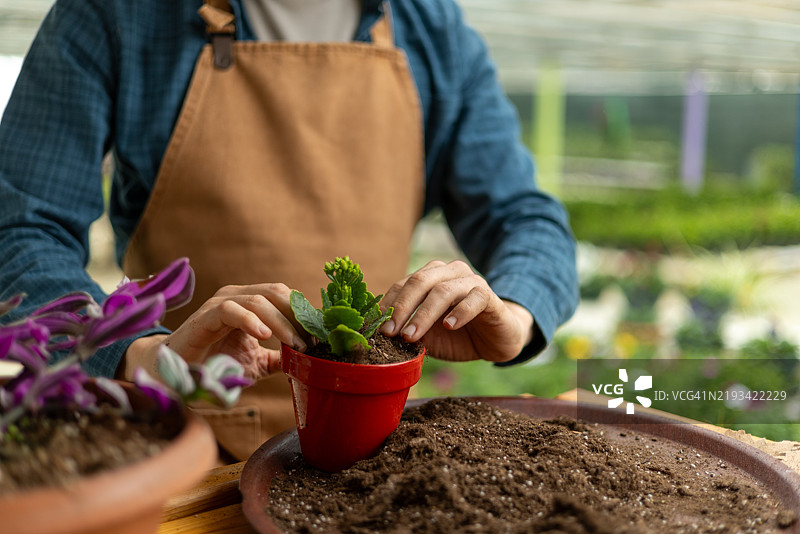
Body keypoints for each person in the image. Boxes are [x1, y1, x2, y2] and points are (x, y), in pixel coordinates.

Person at [0, 0, 578, 460]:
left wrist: (514, 313)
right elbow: (21, 231)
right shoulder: (117, 13)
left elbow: (526, 218)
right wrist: (138, 356)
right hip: (170, 440)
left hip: (372, 454)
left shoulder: (429, 25)